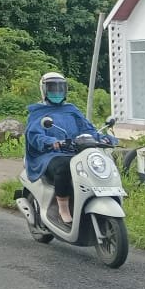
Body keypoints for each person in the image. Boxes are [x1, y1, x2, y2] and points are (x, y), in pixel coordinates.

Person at [23, 71, 108, 228]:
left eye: (60, 88)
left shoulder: (71, 109)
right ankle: (63, 209)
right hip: (49, 154)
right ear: (44, 90)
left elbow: (87, 128)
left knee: (94, 164)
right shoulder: (38, 113)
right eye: (52, 89)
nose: (56, 92)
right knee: (64, 167)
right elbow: (34, 135)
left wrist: (100, 137)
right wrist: (51, 141)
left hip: (73, 151)